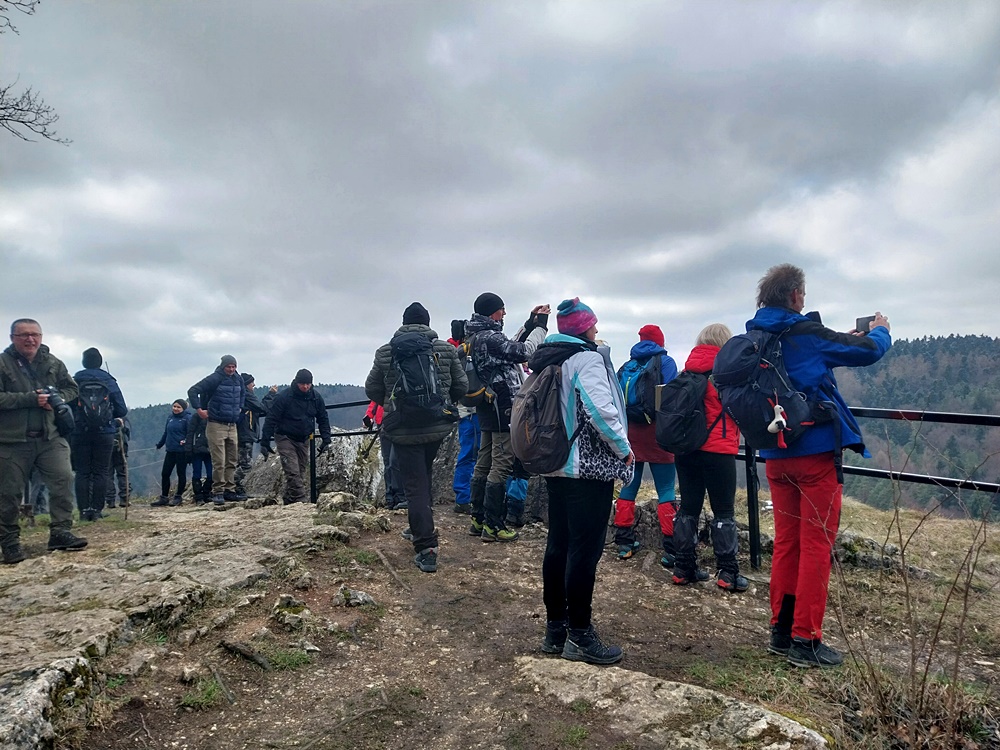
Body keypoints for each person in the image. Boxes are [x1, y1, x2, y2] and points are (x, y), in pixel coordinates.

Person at [749, 263, 891, 668]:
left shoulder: (755, 338)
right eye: (803, 294)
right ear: (795, 295)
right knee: (815, 545)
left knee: (787, 543)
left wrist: (841, 336)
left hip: (775, 454)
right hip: (814, 455)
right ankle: (806, 639)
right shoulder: (807, 334)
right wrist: (880, 330)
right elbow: (868, 352)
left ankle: (781, 631)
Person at [527, 298, 632, 665]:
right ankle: (581, 635)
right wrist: (623, 448)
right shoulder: (586, 359)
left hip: (555, 463)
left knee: (558, 546)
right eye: (593, 324)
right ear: (584, 328)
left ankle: (555, 629)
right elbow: (600, 409)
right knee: (584, 552)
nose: (596, 329)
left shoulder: (549, 359)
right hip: (587, 470)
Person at [365, 302, 466, 573]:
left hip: (402, 428)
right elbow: (461, 385)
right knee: (423, 475)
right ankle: (419, 525)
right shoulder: (444, 349)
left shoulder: (386, 351)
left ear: (404, 323)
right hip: (436, 426)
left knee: (414, 484)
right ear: (427, 323)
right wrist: (439, 404)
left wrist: (392, 404)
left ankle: (426, 546)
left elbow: (372, 388)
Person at [1, 318, 88, 564]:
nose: (30, 339)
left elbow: (72, 388)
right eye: (24, 335)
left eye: (35, 334)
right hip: (11, 440)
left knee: (63, 479)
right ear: (12, 338)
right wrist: (29, 399)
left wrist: (57, 398)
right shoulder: (2, 363)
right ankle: (9, 542)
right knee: (8, 494)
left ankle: (60, 531)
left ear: (41, 337)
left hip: (50, 436)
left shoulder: (53, 362)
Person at [464, 293, 548, 542]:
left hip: (486, 407)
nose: (504, 313)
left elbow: (508, 347)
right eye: (502, 309)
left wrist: (529, 323)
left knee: (483, 461)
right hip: (502, 408)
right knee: (501, 465)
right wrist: (541, 328)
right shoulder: (490, 338)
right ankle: (493, 525)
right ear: (492, 312)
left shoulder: (477, 336)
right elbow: (524, 351)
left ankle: (478, 518)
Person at [671, 324, 746, 591]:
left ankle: (683, 567)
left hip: (686, 449)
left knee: (688, 508)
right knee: (723, 510)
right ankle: (728, 572)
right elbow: (740, 409)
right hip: (718, 451)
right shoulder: (725, 374)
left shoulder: (686, 373)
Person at [612, 325, 679, 562]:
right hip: (658, 434)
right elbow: (670, 399)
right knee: (666, 489)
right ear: (660, 341)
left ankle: (624, 542)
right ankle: (671, 548)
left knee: (629, 486)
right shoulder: (666, 363)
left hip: (631, 433)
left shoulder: (627, 366)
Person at [71, 347, 128, 521]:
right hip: (105, 431)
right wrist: (110, 417)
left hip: (80, 431)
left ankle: (83, 511)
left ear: (83, 362)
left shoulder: (76, 380)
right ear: (100, 362)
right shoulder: (109, 380)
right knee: (101, 471)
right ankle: (96, 510)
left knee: (82, 472)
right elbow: (122, 409)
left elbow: (68, 405)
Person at [260, 369, 332, 506]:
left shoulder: (315, 398)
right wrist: (265, 441)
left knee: (300, 471)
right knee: (292, 471)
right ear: (296, 382)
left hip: (303, 438)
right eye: (302, 384)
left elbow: (323, 418)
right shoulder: (284, 397)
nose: (305, 387)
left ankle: (289, 500)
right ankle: (301, 501)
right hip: (285, 437)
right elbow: (271, 418)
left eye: (308, 384)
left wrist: (326, 439)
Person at [188, 355, 245, 504]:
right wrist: (199, 410)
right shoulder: (214, 378)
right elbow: (193, 390)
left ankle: (229, 490)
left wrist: (240, 407)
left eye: (234, 366)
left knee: (232, 460)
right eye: (229, 367)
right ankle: (218, 491)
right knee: (219, 461)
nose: (231, 369)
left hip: (232, 424)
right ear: (223, 366)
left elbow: (242, 393)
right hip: (216, 424)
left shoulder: (238, 379)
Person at [447, 319, 480, 515]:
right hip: (473, 411)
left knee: (467, 453)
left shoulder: (454, 353)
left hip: (463, 411)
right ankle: (466, 498)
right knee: (472, 454)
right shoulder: (468, 353)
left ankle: (463, 498)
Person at [364, 399, 406, 510]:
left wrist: (370, 414)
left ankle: (397, 497)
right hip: (385, 422)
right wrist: (369, 415)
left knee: (393, 461)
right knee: (389, 461)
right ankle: (392, 497)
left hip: (394, 421)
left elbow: (377, 396)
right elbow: (376, 398)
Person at [235, 373, 266, 500]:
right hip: (245, 432)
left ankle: (234, 487)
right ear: (247, 384)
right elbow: (261, 407)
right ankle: (237, 488)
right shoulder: (247, 395)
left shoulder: (240, 396)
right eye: (252, 383)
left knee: (239, 461)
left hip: (240, 432)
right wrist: (271, 396)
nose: (254, 385)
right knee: (245, 463)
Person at [154, 399, 191, 506]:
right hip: (170, 450)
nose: (176, 409)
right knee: (165, 473)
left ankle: (178, 497)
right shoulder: (170, 418)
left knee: (181, 474)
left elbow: (190, 433)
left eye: (178, 407)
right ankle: (164, 497)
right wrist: (160, 444)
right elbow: (166, 432)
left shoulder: (187, 418)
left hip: (181, 451)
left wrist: (185, 441)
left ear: (183, 408)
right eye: (174, 406)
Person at [186, 410, 213, 505]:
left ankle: (206, 493)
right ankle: (198, 496)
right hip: (197, 450)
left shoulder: (215, 415)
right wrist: (188, 449)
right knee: (197, 473)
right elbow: (190, 433)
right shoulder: (197, 416)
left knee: (212, 474)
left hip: (211, 449)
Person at [106, 416, 132, 508]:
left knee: (108, 473)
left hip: (106, 443)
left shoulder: (102, 411)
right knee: (122, 473)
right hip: (120, 444)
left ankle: (110, 500)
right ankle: (124, 498)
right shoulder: (120, 413)